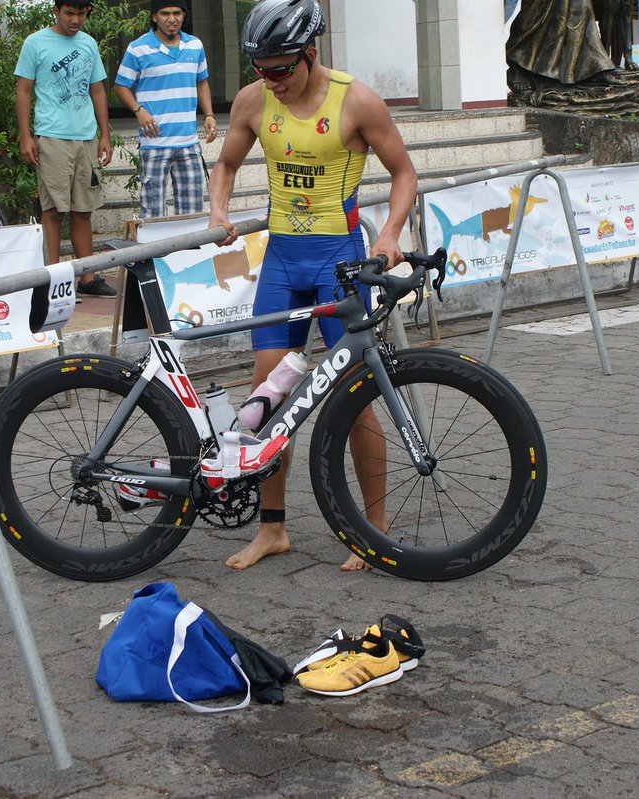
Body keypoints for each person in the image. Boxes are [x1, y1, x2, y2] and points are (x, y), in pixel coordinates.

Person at [207, 0, 417, 572]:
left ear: (310, 54)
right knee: (268, 401)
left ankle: (375, 527)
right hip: (282, 262)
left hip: (338, 261)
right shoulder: (255, 101)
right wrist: (219, 211)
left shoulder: (356, 101)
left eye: (281, 69)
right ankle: (272, 529)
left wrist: (390, 233)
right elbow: (224, 163)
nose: (270, 80)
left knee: (356, 399)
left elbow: (404, 172)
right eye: (260, 69)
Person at [15, 0, 116, 297]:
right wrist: (25, 135)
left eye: (81, 14)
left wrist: (104, 135)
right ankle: (52, 281)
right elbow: (23, 90)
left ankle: (87, 278)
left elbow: (97, 89)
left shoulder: (88, 44)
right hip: (51, 135)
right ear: (56, 11)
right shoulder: (35, 43)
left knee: (83, 209)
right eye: (69, 13)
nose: (75, 20)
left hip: (85, 136)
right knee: (53, 210)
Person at [114, 0, 218, 219]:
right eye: (165, 13)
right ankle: (155, 255)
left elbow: (202, 82)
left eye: (177, 13)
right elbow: (120, 86)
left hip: (188, 143)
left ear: (184, 15)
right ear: (154, 17)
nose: (172, 19)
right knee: (153, 215)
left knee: (192, 213)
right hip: (154, 143)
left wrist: (209, 114)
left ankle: (189, 254)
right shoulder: (138, 48)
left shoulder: (195, 45)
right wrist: (137, 110)